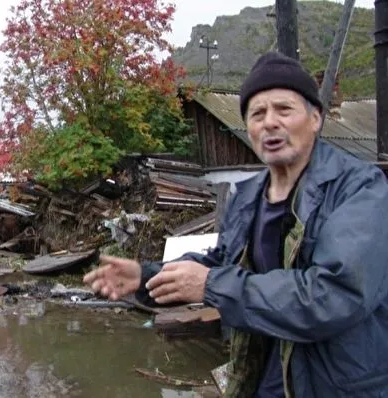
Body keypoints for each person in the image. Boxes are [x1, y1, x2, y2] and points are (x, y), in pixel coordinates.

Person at [83, 52, 388, 397]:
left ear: (315, 118)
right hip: (264, 379)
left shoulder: (358, 188)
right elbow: (223, 263)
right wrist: (147, 277)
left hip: (336, 385)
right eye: (257, 114)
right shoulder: (250, 195)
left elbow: (334, 296)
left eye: (284, 109)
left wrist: (213, 285)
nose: (269, 122)